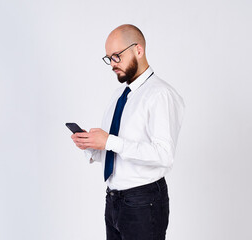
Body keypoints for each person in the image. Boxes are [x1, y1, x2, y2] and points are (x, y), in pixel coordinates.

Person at [71, 24, 184, 240]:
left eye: (116, 56)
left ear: (138, 50)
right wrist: (91, 145)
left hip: (143, 202)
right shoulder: (119, 95)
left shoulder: (160, 94)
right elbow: (114, 149)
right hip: (114, 201)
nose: (113, 64)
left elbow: (164, 155)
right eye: (109, 58)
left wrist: (110, 142)